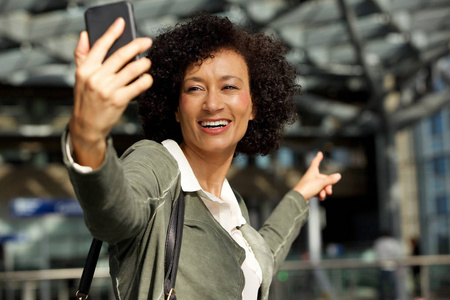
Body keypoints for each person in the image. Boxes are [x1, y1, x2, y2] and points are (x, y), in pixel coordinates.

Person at [63, 13, 341, 299]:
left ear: (255, 106)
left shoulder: (234, 206)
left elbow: (261, 258)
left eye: (229, 87)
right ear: (175, 107)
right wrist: (88, 135)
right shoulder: (158, 166)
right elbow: (114, 216)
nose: (212, 103)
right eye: (194, 88)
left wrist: (300, 195)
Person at [374, 231, 402, 300]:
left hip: (383, 267)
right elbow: (398, 255)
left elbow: (376, 254)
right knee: (391, 286)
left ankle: (384, 298)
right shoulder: (393, 242)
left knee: (384, 286)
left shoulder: (379, 242)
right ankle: (393, 298)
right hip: (391, 267)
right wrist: (399, 267)